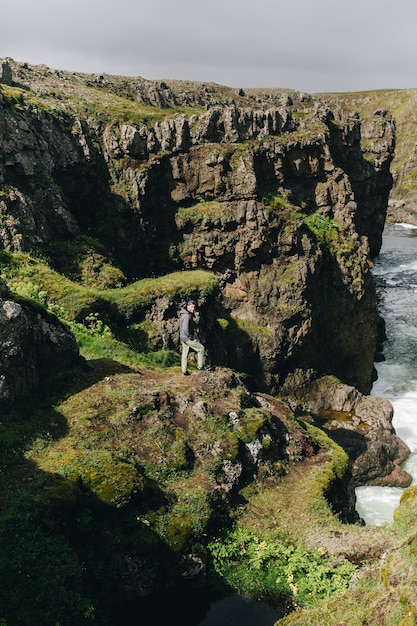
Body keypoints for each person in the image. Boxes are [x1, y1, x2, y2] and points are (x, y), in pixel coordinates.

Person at [179, 300, 206, 375]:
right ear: (188, 306)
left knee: (185, 353)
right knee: (201, 349)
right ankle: (200, 367)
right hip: (187, 338)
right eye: (191, 307)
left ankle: (184, 371)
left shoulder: (184, 314)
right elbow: (185, 328)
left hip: (183, 338)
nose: (193, 309)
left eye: (194, 307)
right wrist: (190, 336)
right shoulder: (187, 316)